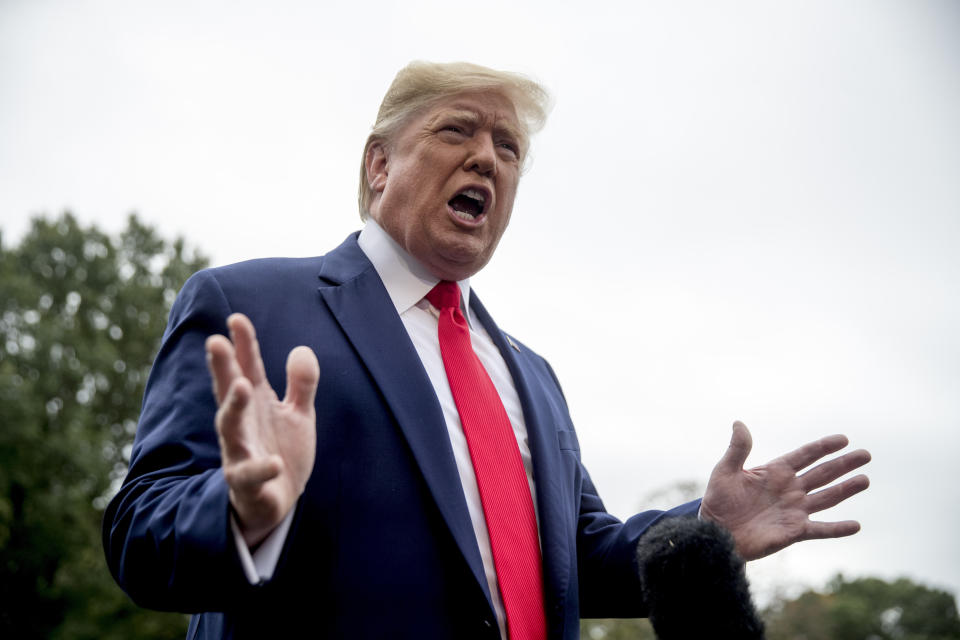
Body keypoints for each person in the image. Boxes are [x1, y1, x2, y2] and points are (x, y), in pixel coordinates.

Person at [103, 61, 871, 640]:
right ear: (379, 165)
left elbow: (577, 557)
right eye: (457, 130)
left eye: (508, 147)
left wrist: (700, 533)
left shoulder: (531, 376)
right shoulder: (250, 306)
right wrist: (242, 510)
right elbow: (140, 531)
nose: (488, 159)